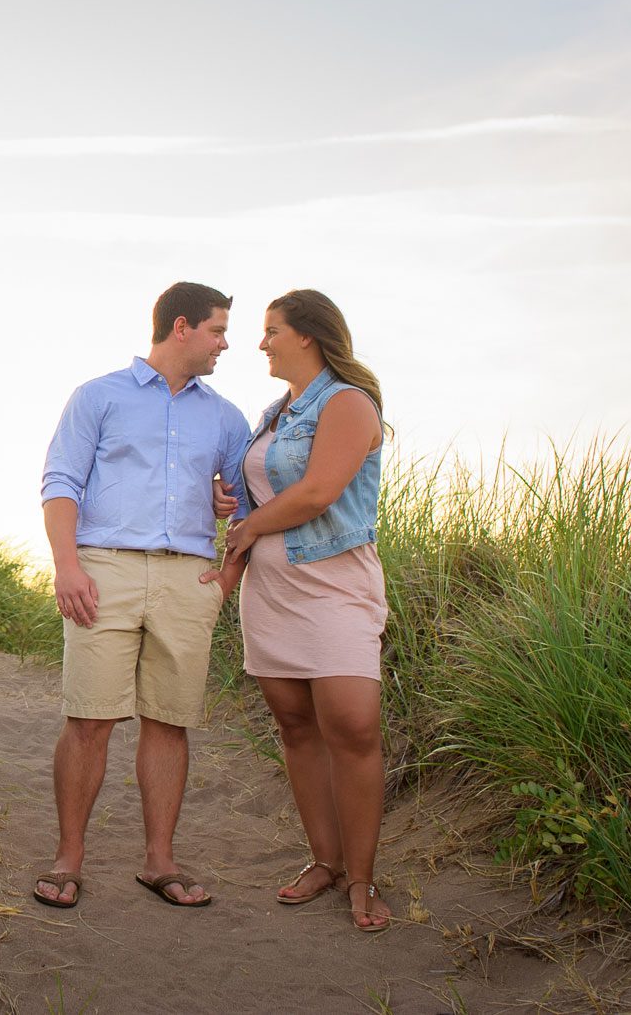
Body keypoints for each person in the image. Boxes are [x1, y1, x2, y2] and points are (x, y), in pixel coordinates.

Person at [33, 282, 249, 910]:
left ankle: (160, 860)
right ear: (180, 327)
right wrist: (67, 566)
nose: (225, 343)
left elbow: (249, 503)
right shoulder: (99, 396)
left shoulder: (225, 416)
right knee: (89, 718)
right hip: (105, 568)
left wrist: (227, 576)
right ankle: (68, 859)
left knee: (170, 721)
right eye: (217, 330)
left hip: (189, 576)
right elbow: (60, 480)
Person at [203, 288, 392, 931]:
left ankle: (363, 878)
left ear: (307, 335)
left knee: (353, 724)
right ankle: (326, 862)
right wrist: (237, 515)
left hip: (335, 584)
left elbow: (317, 492)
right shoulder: (272, 414)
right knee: (295, 726)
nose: (261, 343)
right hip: (273, 594)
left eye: (272, 330)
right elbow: (261, 496)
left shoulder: (347, 401)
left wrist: (249, 530)